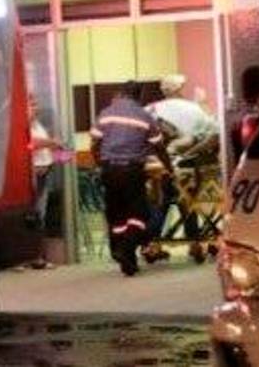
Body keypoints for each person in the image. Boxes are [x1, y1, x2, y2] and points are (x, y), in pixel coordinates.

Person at [90, 81, 173, 276]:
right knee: (139, 213)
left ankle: (123, 254)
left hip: (110, 170)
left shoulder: (106, 113)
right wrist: (169, 168)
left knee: (116, 214)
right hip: (132, 171)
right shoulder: (144, 116)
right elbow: (159, 146)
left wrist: (101, 163)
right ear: (139, 95)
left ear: (121, 93)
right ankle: (127, 248)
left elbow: (95, 142)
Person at [143, 74, 221, 263]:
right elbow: (214, 134)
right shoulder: (193, 109)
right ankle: (194, 241)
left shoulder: (149, 110)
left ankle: (152, 243)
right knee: (187, 198)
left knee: (160, 202)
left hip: (156, 170)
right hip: (188, 170)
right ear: (178, 89)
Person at [27, 95, 62, 269]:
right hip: (32, 174)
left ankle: (38, 256)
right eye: (32, 104)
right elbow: (30, 143)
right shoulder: (23, 125)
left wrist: (59, 152)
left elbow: (45, 146)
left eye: (36, 104)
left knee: (41, 214)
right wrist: (51, 142)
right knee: (34, 215)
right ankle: (34, 257)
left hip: (44, 171)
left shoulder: (37, 125)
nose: (36, 108)